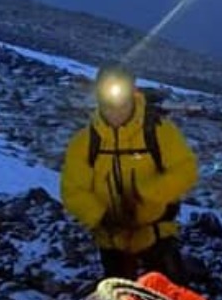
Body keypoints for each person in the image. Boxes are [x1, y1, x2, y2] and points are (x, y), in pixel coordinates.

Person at [59, 65, 198, 284]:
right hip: (111, 239)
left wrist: (146, 195)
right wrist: (102, 217)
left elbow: (185, 169)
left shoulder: (159, 131)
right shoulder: (84, 143)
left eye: (121, 100)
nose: (115, 109)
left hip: (157, 235)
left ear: (133, 95)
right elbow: (73, 190)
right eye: (108, 101)